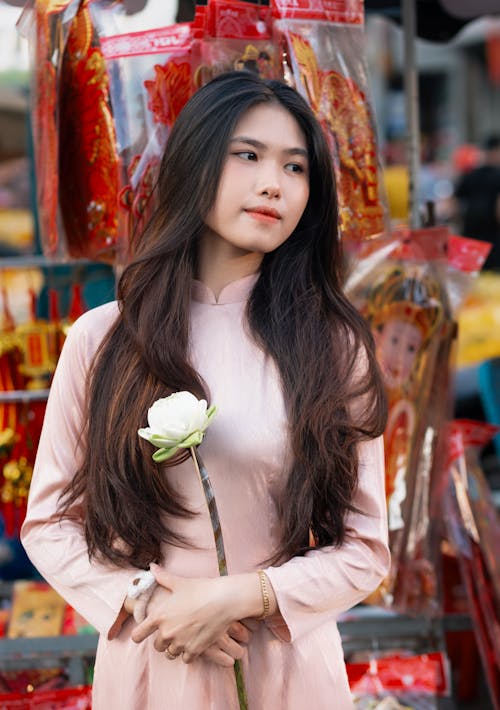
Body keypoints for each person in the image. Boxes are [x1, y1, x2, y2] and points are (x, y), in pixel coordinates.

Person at [21, 71, 390, 709]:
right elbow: (51, 523)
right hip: (151, 660)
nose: (273, 183)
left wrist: (246, 596)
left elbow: (364, 547)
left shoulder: (332, 345)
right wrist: (149, 601)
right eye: (247, 155)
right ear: (195, 162)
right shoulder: (104, 338)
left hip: (284, 667)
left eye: (295, 167)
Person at [454, 134, 500, 271]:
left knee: (470, 278)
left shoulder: (470, 175)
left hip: (470, 237)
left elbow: (455, 205)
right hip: (494, 238)